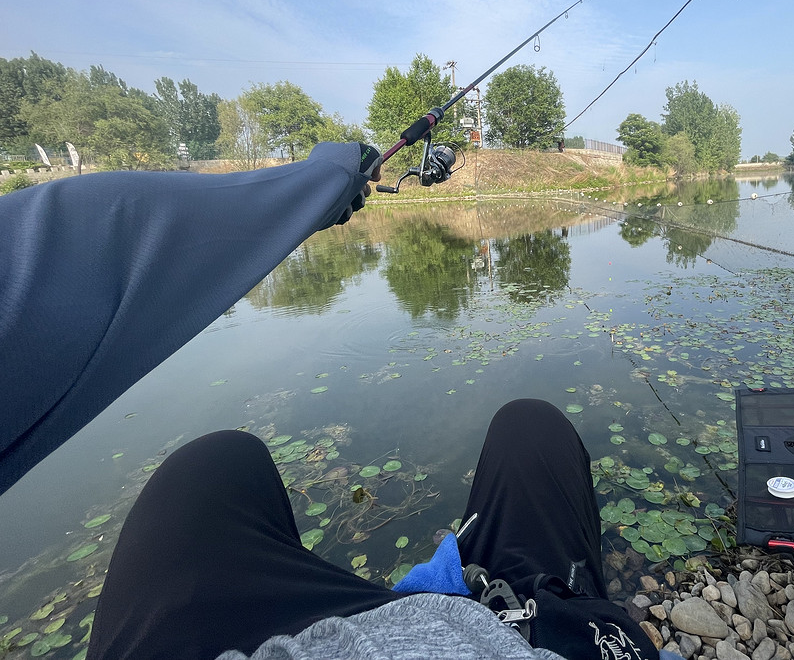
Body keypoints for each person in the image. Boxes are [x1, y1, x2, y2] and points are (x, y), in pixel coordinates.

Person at [0, 142, 665, 660]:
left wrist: (325, 182)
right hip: (524, 637)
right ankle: (523, 603)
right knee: (530, 425)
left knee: (217, 461)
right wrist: (325, 178)